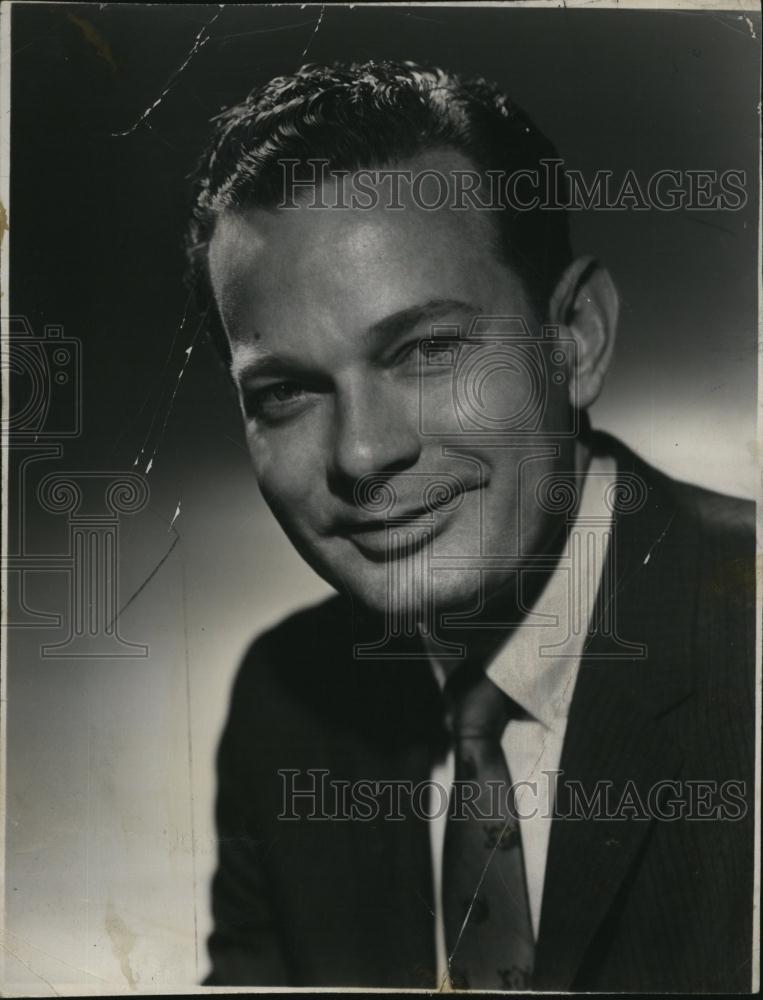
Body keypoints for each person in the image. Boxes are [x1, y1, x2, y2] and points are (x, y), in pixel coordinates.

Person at [186, 61, 755, 991]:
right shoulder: (284, 709)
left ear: (574, 338)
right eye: (286, 391)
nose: (362, 456)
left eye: (426, 349)